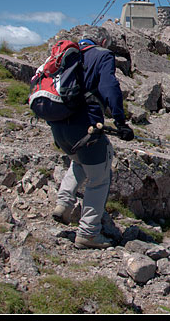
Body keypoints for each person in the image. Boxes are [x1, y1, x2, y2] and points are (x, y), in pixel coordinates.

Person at [50, 26, 134, 249]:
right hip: (85, 127)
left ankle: (63, 204)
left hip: (59, 128)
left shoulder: (68, 55)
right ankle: (88, 233)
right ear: (104, 41)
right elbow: (110, 86)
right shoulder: (103, 55)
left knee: (79, 161)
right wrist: (120, 120)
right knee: (99, 178)